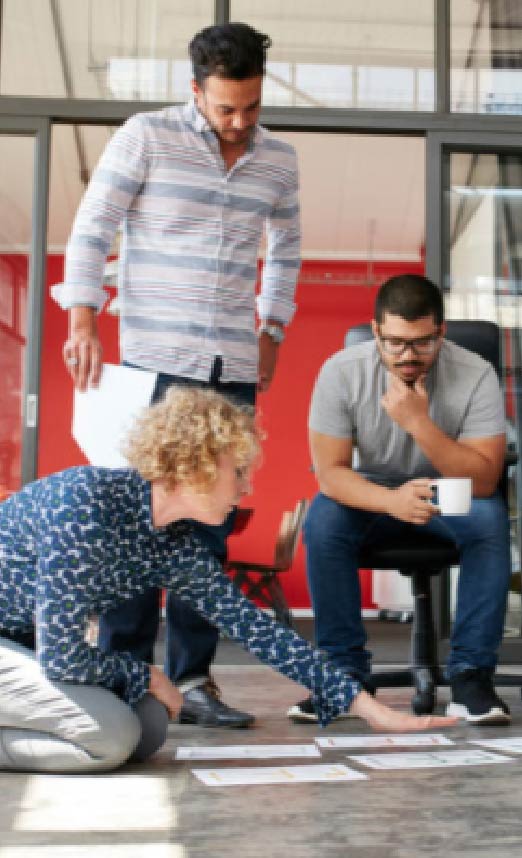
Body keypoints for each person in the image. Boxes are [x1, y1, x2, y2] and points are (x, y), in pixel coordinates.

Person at [0, 387, 455, 773]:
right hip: (15, 645)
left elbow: (255, 629)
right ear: (192, 462)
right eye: (237, 472)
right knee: (113, 737)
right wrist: (149, 674)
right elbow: (62, 658)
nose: (246, 488)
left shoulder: (173, 543)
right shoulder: (87, 504)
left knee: (149, 728)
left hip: (21, 649)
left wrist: (367, 709)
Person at [52, 22, 300, 728]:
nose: (239, 123)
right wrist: (80, 317)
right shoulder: (145, 136)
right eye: (225, 109)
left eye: (251, 107)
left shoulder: (278, 160)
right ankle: (129, 673)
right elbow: (94, 225)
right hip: (152, 361)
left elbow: (285, 247)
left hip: (230, 362)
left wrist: (272, 326)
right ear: (195, 92)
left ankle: (193, 681)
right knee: (138, 520)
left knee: (210, 527)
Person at [292, 274, 512, 726]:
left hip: (446, 487)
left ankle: (471, 676)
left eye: (421, 343)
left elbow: (485, 479)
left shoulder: (476, 373)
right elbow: (332, 474)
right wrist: (391, 501)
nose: (408, 356)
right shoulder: (341, 371)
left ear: (440, 332)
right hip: (373, 492)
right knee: (323, 522)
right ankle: (343, 675)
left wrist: (419, 424)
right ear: (375, 332)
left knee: (489, 520)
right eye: (394, 343)